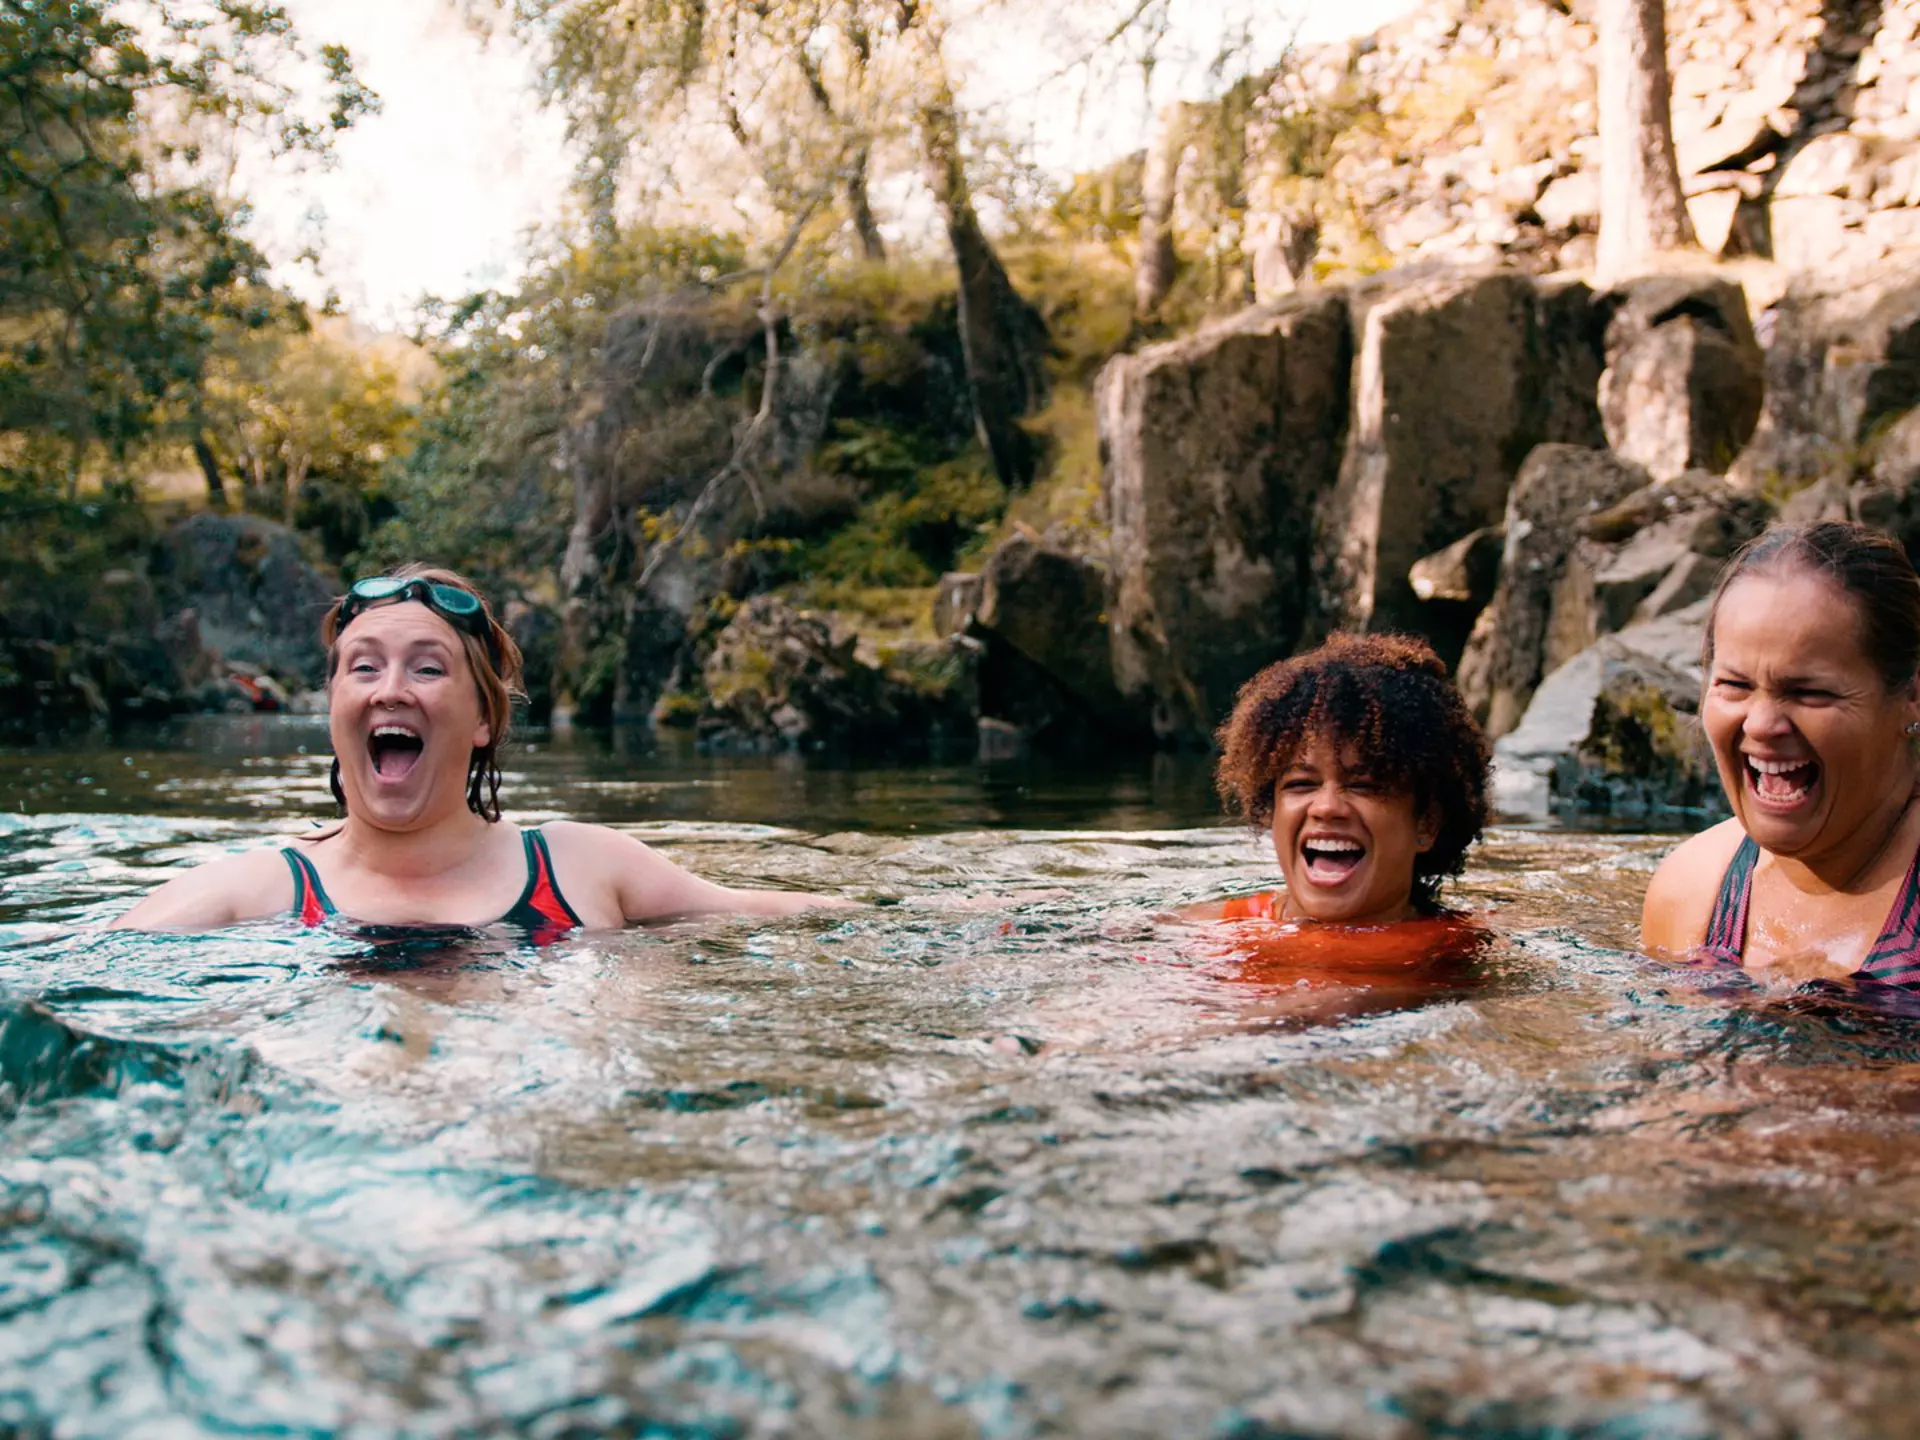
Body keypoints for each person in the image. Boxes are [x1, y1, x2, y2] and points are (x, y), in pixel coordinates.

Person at [113, 564, 852, 938]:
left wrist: (961, 915)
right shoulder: (251, 894)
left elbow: (783, 915)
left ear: (482, 722)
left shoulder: (582, 869)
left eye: (428, 668)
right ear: (335, 705)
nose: (389, 691)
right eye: (363, 666)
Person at [1642, 521, 1920, 988]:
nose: (1761, 725)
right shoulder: (1692, 893)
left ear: (1911, 695)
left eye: (1808, 692)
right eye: (1734, 685)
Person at [1183, 632, 1493, 970]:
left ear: (1426, 823)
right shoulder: (1209, 928)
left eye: (1363, 785)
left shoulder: (1450, 948)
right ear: (1270, 811)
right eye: (1301, 784)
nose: (1327, 807)